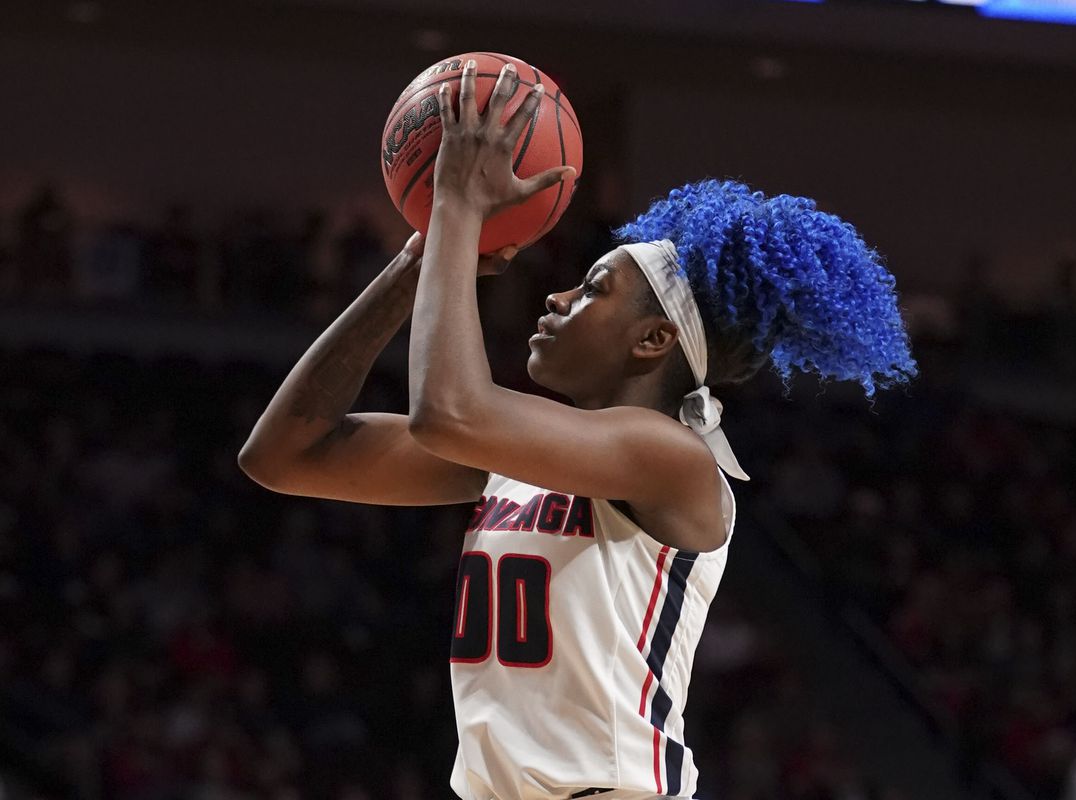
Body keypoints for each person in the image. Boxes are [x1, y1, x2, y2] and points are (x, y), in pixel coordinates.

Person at [239, 60, 916, 800]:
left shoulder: (672, 457)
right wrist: (414, 263)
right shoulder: (516, 459)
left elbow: (448, 412)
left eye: (593, 289)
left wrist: (458, 213)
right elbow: (284, 455)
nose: (557, 296)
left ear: (652, 341)